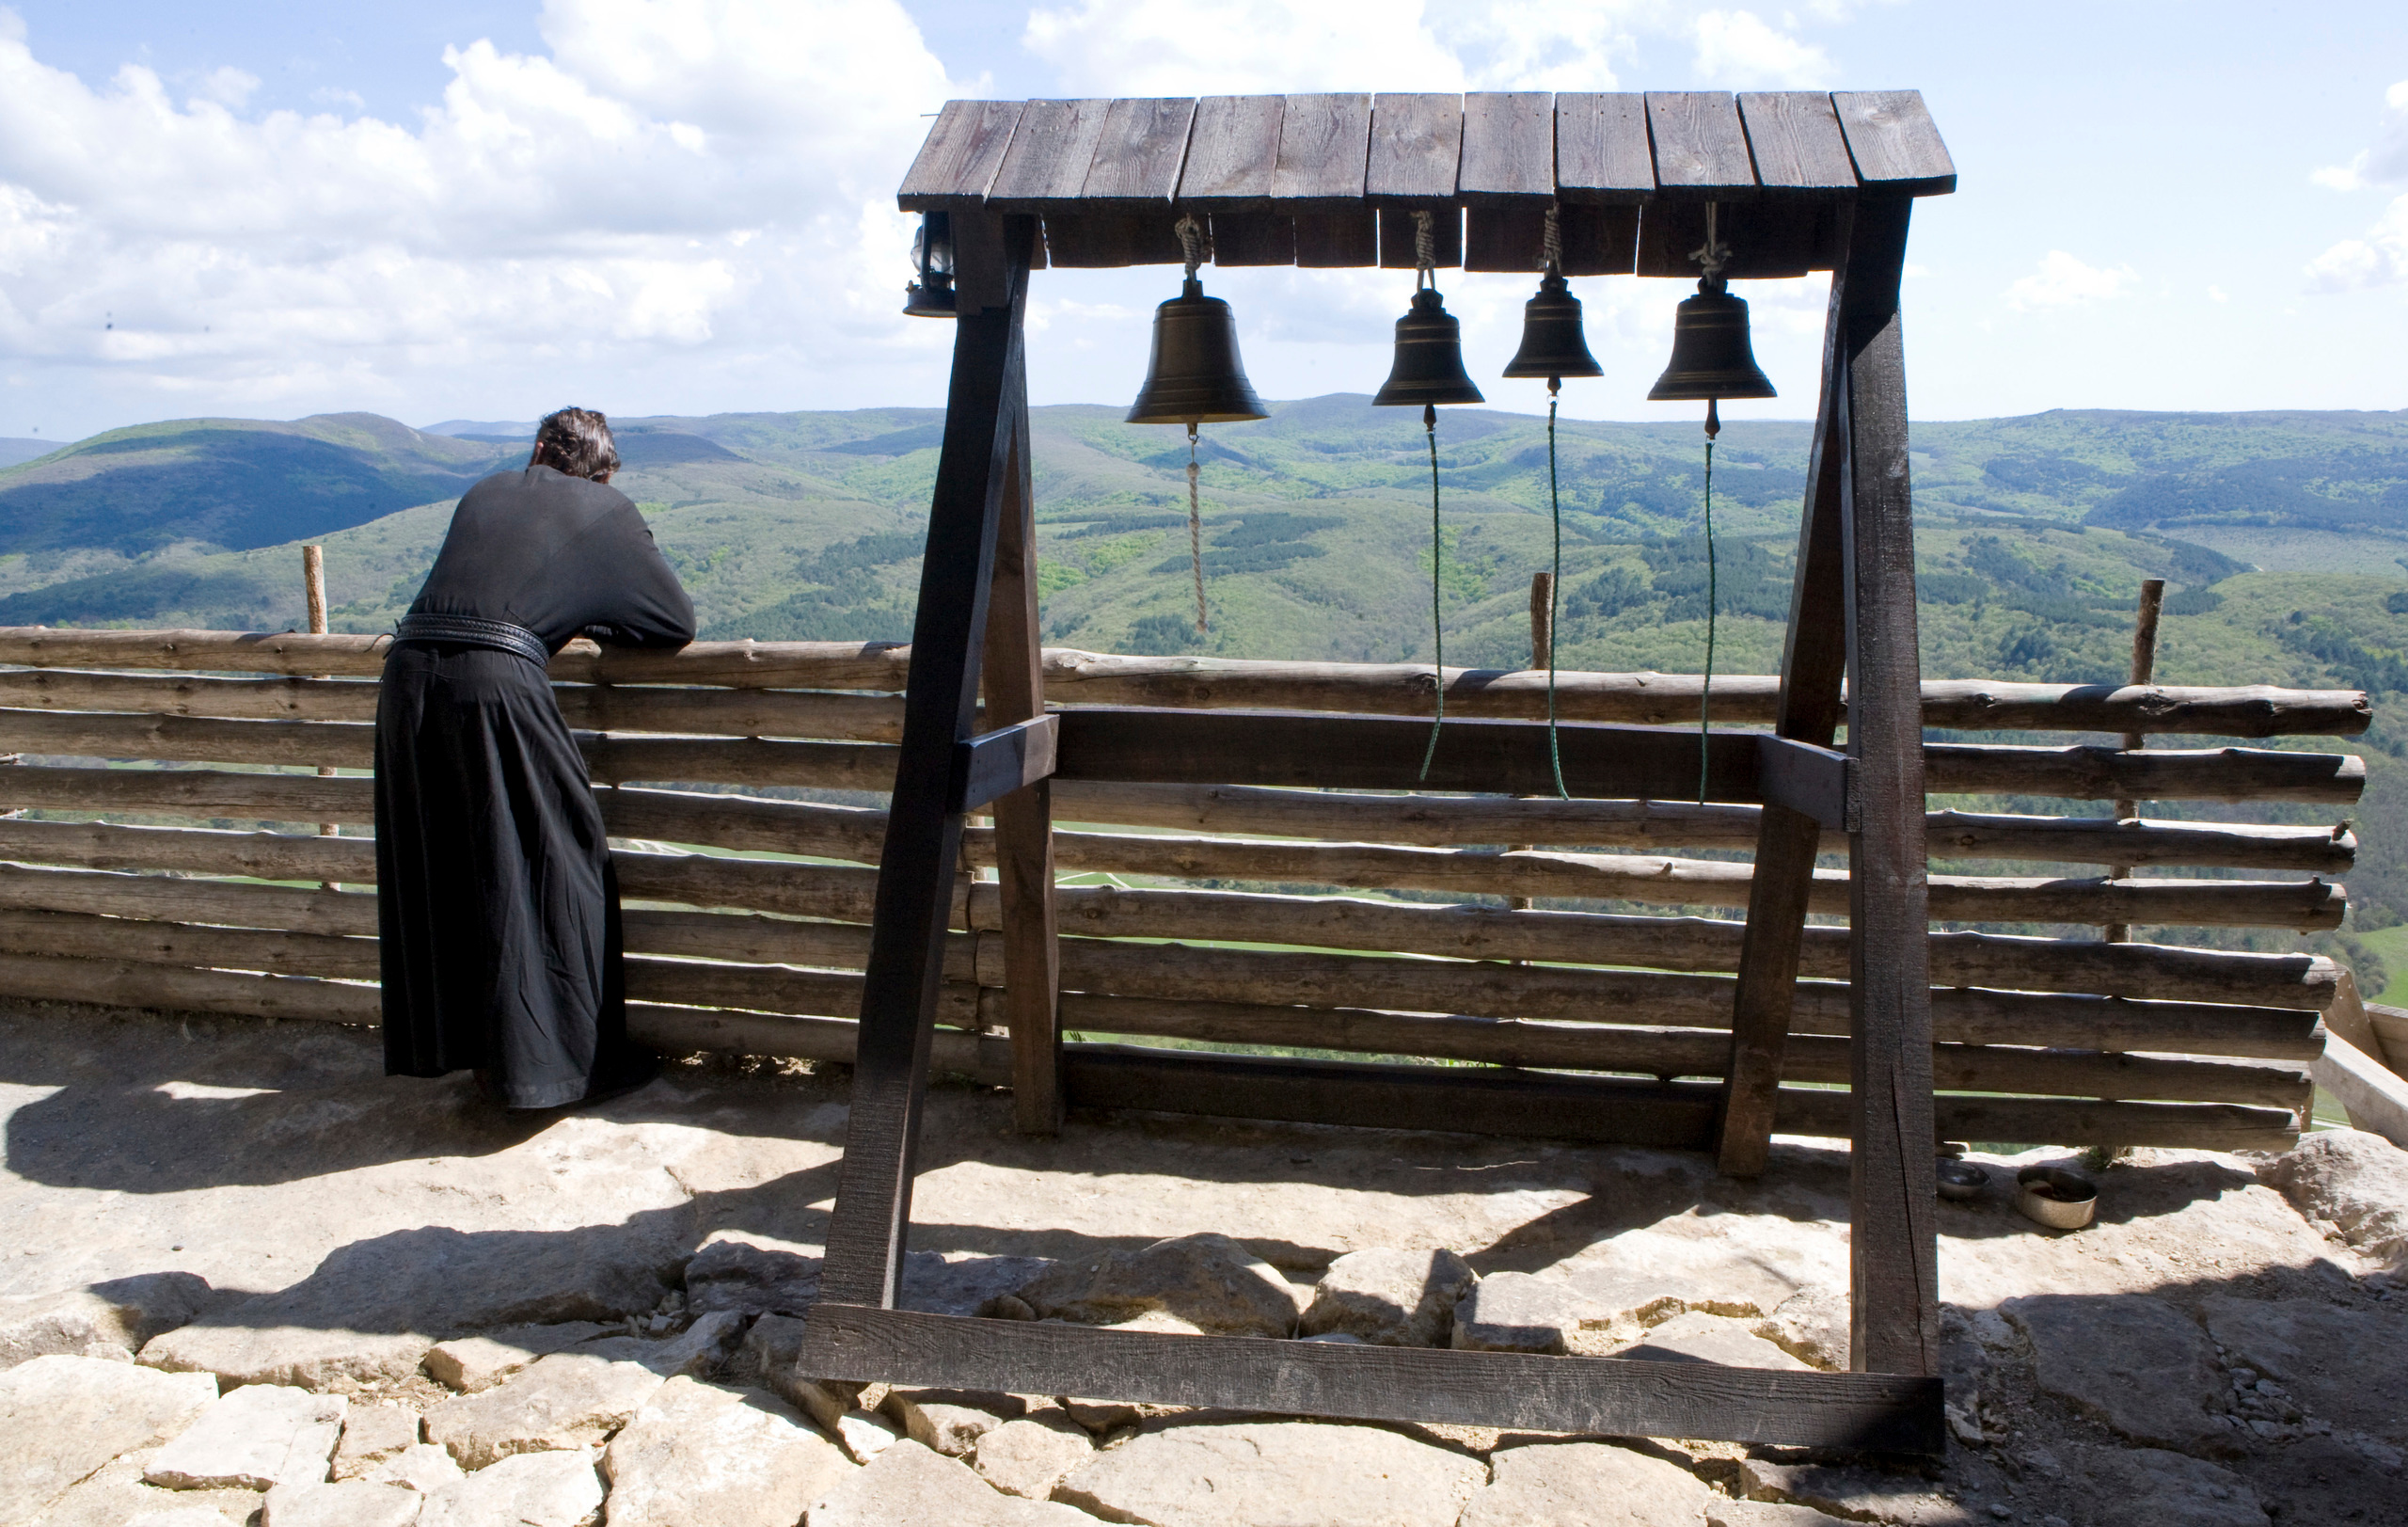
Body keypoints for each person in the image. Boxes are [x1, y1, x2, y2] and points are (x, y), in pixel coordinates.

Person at [375, 407, 696, 1109]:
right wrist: (587, 612)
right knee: (562, 860)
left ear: (539, 451)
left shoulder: (488, 489)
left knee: (451, 864)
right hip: (492, 681)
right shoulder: (606, 508)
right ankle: (566, 1071)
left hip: (405, 677)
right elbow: (675, 621)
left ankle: (480, 1059)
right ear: (604, 471)